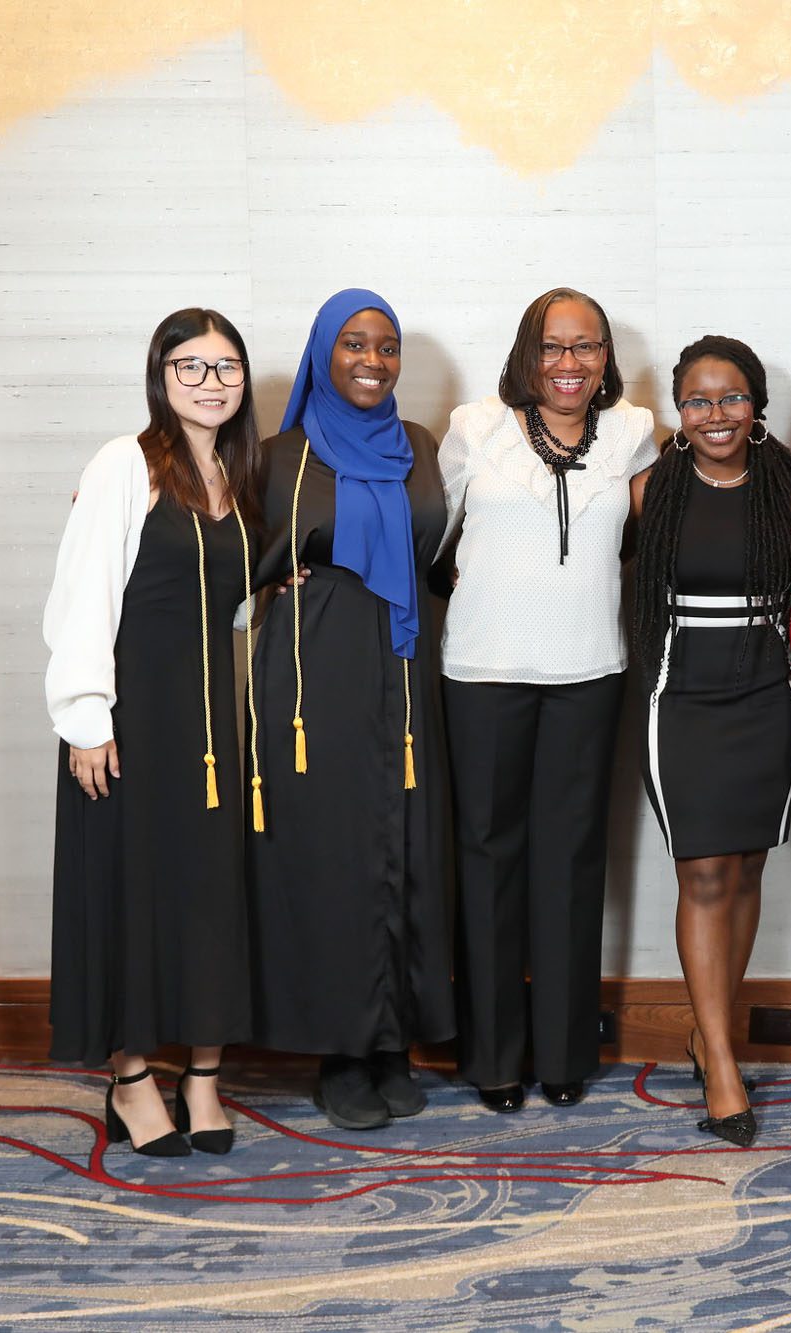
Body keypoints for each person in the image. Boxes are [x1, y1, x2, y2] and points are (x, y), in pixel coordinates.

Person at [44, 307, 262, 1156]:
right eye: (192, 366)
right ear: (161, 375)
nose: (211, 382)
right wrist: (86, 718)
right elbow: (82, 596)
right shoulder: (124, 465)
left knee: (210, 897)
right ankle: (131, 1079)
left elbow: (240, 588)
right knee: (132, 899)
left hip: (215, 733)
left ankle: (202, 1075)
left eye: (226, 366)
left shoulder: (238, 474)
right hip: (132, 720)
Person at [439, 288, 657, 1113]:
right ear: (527, 352)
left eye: (587, 346)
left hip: (588, 670)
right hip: (483, 671)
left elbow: (650, 540)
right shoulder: (475, 426)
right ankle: (494, 1057)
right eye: (553, 346)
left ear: (606, 357)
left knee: (571, 864)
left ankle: (565, 1051)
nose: (569, 363)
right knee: (489, 860)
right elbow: (437, 538)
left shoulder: (634, 433)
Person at [248, 289, 457, 1131]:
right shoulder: (276, 456)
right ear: (321, 355)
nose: (373, 360)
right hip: (314, 673)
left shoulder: (420, 446)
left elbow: (445, 550)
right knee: (331, 852)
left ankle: (392, 1041)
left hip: (408, 668)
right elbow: (220, 562)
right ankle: (339, 1049)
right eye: (354, 344)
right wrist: (269, 577)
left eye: (388, 345)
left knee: (406, 842)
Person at [629, 335, 791, 1147]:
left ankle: (711, 1031)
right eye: (697, 401)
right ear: (679, 412)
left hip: (769, 691)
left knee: (742, 868)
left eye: (731, 397)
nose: (716, 415)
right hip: (683, 695)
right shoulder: (647, 493)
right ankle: (724, 1063)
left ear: (756, 403)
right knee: (701, 873)